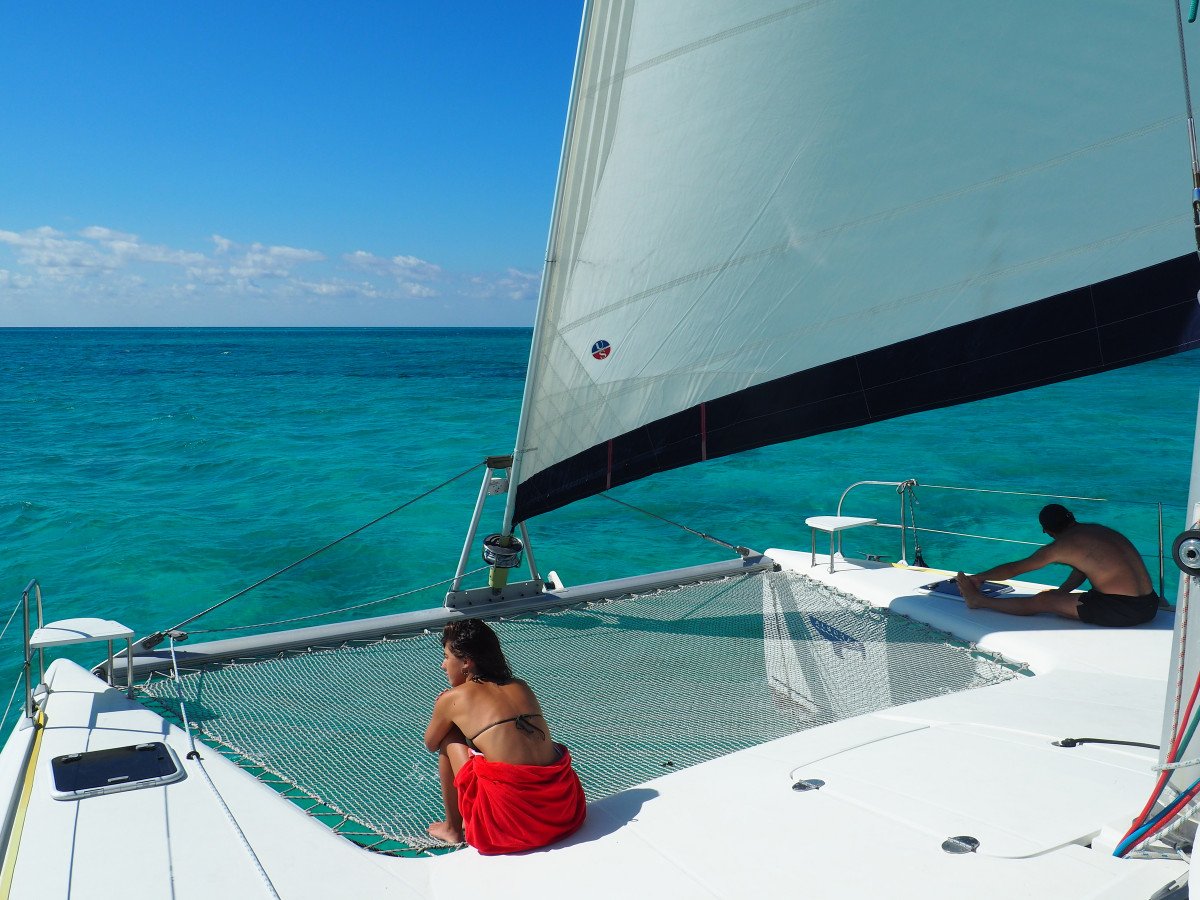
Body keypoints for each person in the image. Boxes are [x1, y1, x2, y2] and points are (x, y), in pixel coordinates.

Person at [424, 618, 586, 854]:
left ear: (467, 662)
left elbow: (430, 742)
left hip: (512, 828)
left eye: (447, 657)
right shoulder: (521, 685)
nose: (443, 665)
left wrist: (444, 708)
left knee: (449, 735)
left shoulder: (453, 698)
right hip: (563, 812)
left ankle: (452, 828)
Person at [954, 503, 1160, 627]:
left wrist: (979, 577)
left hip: (1123, 610)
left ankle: (979, 602)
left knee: (1044, 600)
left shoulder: (1062, 546)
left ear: (1047, 531)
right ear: (1071, 517)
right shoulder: (1098, 531)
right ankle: (1058, 597)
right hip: (1150, 604)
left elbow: (1016, 568)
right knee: (1055, 597)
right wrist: (1062, 592)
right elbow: (1082, 570)